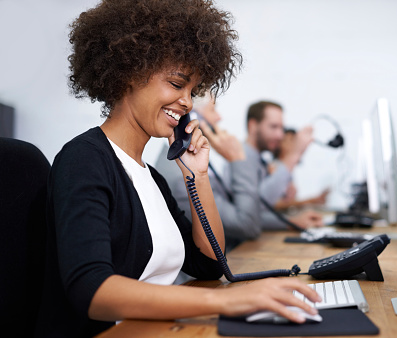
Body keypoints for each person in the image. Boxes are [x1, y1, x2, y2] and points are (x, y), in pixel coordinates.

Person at [35, 1, 320, 336]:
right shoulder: (84, 160)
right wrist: (226, 302)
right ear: (129, 72)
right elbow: (93, 290)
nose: (187, 101)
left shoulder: (151, 176)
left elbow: (209, 265)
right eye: (176, 83)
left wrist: (197, 176)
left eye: (191, 90)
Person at [155, 92, 261, 251]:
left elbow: (247, 215)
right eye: (213, 110)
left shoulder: (193, 161)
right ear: (190, 117)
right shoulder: (181, 177)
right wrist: (237, 160)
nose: (219, 118)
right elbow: (247, 225)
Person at [244, 101, 325, 230]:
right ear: (253, 126)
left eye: (281, 128)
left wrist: (292, 220)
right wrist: (294, 154)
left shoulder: (258, 160)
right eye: (273, 127)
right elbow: (255, 210)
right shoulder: (241, 158)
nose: (280, 135)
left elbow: (260, 211)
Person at [270, 129, 330, 212]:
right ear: (279, 144)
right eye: (290, 140)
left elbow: (289, 203)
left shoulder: (288, 170)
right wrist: (311, 201)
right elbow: (275, 204)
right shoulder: (273, 168)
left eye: (295, 140)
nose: (293, 144)